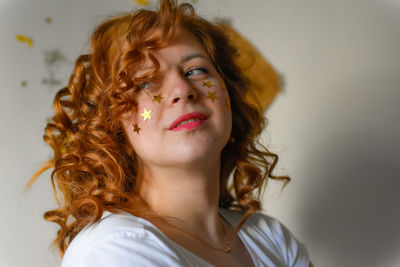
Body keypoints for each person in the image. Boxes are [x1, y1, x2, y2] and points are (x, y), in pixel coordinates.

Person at [30, 0, 312, 266]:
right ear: (113, 127)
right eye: (145, 83)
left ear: (230, 95)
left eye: (195, 70)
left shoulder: (271, 238)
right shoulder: (112, 250)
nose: (182, 89)